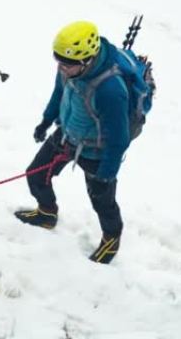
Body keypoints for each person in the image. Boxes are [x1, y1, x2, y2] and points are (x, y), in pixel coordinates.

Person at [15, 21, 131, 264]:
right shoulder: (69, 68)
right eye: (58, 61)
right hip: (66, 134)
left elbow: (119, 139)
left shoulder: (110, 90)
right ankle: (47, 213)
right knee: (35, 175)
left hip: (96, 151)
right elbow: (59, 94)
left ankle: (111, 238)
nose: (61, 68)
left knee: (102, 200)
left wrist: (106, 174)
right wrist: (46, 121)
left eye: (67, 64)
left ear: (87, 60)